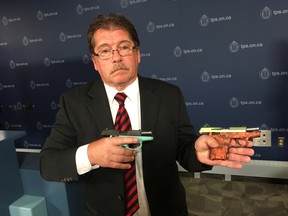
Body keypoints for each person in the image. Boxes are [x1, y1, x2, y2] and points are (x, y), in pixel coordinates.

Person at [40, 13, 254, 216]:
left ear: (137, 54)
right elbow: (48, 164)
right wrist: (91, 154)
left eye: (124, 47)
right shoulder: (73, 102)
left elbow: (184, 147)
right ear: (95, 62)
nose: (116, 57)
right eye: (105, 51)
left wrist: (197, 153)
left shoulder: (169, 95)